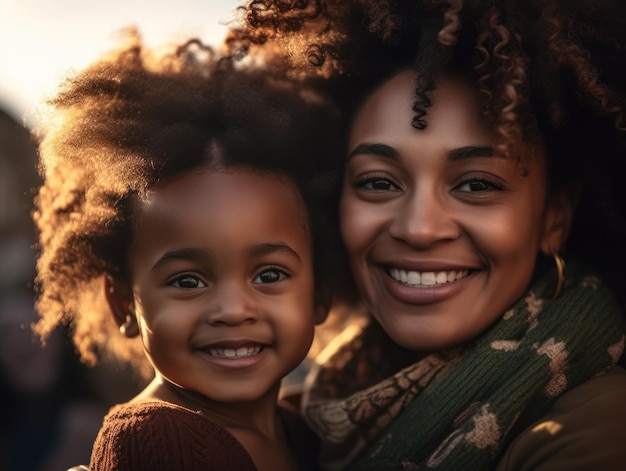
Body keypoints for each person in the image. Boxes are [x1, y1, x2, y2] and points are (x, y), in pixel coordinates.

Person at [225, 0, 626, 469]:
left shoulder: (599, 431)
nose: (418, 228)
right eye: (378, 182)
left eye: (477, 184)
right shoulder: (311, 419)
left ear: (554, 218)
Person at [32, 29, 343, 471]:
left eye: (269, 275)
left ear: (321, 292)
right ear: (124, 305)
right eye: (188, 281)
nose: (234, 310)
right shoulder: (159, 442)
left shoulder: (301, 428)